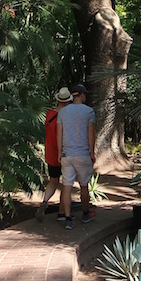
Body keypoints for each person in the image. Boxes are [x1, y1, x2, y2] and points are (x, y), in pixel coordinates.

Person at [57, 82, 96, 230]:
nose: (85, 96)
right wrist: (92, 152)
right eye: (85, 94)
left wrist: (60, 153)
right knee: (84, 185)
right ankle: (85, 214)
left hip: (67, 154)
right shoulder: (89, 112)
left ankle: (68, 219)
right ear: (81, 95)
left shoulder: (63, 112)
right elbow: (91, 133)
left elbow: (59, 134)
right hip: (82, 154)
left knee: (66, 187)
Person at [36, 87, 72, 222]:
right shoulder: (67, 117)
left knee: (53, 181)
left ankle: (45, 202)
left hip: (51, 153)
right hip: (64, 153)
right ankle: (62, 213)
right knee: (66, 184)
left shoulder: (50, 114)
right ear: (68, 101)